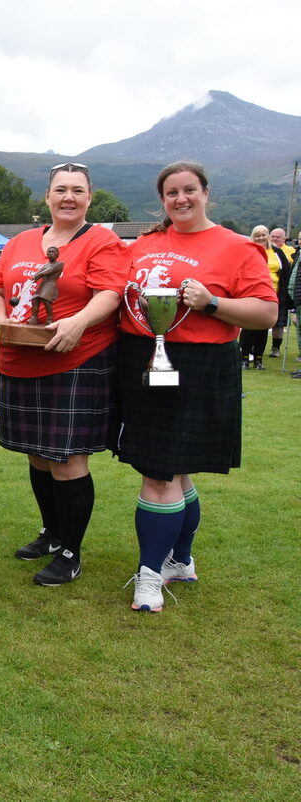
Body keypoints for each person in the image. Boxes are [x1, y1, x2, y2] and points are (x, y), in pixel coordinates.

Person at [115, 162, 276, 613]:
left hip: (199, 361)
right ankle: (180, 561)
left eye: (189, 190)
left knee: (159, 472)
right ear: (162, 200)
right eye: (171, 192)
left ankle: (149, 577)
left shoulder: (237, 246)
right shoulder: (144, 244)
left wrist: (213, 303)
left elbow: (265, 313)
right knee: (175, 469)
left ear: (206, 193)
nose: (181, 199)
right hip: (142, 358)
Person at [0, 163, 128, 585]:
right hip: (21, 358)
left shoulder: (102, 240)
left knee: (67, 459)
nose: (68, 197)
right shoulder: (21, 241)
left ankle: (71, 551)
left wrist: (77, 323)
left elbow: (110, 292)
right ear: (47, 197)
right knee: (36, 453)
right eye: (60, 190)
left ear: (90, 197)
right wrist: (4, 324)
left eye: (77, 190)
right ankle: (51, 534)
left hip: (76, 359)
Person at [239, 226, 278, 369]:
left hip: (272, 295)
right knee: (248, 328)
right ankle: (244, 358)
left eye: (263, 235)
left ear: (268, 236)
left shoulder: (277, 253)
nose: (261, 238)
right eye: (257, 235)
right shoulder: (247, 251)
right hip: (250, 294)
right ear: (252, 237)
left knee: (263, 329)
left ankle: (258, 360)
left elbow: (284, 272)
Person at [268, 228, 294, 358]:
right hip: (265, 291)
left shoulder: (290, 251)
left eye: (278, 237)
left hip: (280, 292)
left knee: (278, 323)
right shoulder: (266, 250)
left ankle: (275, 348)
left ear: (284, 239)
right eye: (272, 236)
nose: (274, 239)